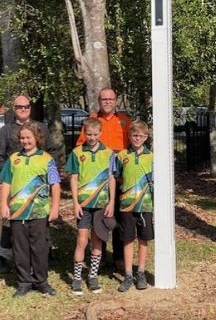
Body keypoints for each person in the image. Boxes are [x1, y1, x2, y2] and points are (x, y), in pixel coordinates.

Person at [0, 122, 61, 298]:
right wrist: (4, 204)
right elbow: (6, 183)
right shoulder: (13, 159)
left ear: (37, 138)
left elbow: (55, 185)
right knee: (20, 248)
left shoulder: (47, 159)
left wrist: (55, 206)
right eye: (22, 138)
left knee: (39, 247)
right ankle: (24, 282)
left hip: (39, 213)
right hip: (17, 213)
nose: (25, 141)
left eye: (28, 137)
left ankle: (41, 281)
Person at [0, 95, 52, 275]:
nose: (23, 109)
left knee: (40, 220)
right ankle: (4, 256)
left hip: (36, 185)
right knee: (9, 221)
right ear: (14, 108)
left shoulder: (40, 128)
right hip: (14, 185)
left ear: (30, 108)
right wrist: (11, 176)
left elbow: (49, 153)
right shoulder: (6, 130)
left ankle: (46, 253)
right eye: (19, 107)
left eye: (26, 106)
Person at [76, 88, 132, 271]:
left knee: (117, 217)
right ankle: (98, 257)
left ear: (116, 100)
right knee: (99, 218)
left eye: (111, 99)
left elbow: (132, 146)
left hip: (119, 176)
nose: (107, 102)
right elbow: (80, 147)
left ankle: (118, 258)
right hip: (97, 180)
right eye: (104, 99)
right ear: (99, 101)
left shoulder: (124, 120)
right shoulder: (92, 120)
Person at [66, 117, 116, 295]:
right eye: (89, 134)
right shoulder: (77, 152)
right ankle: (77, 279)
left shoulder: (109, 153)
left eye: (95, 134)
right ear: (84, 133)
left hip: (101, 205)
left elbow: (111, 179)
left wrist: (111, 202)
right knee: (81, 241)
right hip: (84, 205)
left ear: (100, 133)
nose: (92, 137)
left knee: (97, 241)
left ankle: (92, 277)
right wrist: (75, 203)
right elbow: (73, 178)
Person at [114, 120, 153, 292]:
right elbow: (118, 177)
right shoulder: (122, 156)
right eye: (134, 135)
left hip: (145, 204)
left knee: (143, 239)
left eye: (140, 136)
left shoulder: (151, 157)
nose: (137, 138)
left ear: (146, 137)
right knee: (128, 238)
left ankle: (141, 272)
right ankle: (128, 274)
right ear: (129, 136)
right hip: (126, 205)